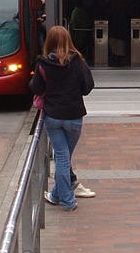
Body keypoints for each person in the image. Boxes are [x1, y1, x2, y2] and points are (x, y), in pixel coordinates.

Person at [30, 25, 95, 211]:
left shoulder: (42, 63)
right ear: (68, 40)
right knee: (63, 158)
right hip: (74, 117)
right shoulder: (78, 61)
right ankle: (68, 201)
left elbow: (36, 87)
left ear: (49, 41)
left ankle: (56, 195)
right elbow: (88, 87)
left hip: (53, 117)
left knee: (62, 157)